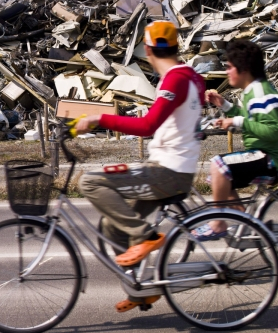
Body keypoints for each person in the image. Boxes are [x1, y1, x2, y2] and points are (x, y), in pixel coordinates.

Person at [75, 20, 205, 312]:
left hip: (168, 171)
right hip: (171, 167)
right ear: (175, 45)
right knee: (112, 224)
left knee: (91, 182)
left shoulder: (175, 78)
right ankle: (139, 289)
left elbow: (148, 126)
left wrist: (99, 118)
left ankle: (146, 236)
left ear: (146, 49)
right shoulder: (191, 76)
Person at [192, 38, 278, 241]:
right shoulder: (253, 90)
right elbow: (252, 117)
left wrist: (236, 121)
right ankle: (248, 223)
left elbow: (273, 130)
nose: (227, 72)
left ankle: (218, 223)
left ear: (244, 69)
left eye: (230, 67)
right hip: (266, 155)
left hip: (275, 159)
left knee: (219, 165)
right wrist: (224, 105)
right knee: (218, 178)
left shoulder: (259, 92)